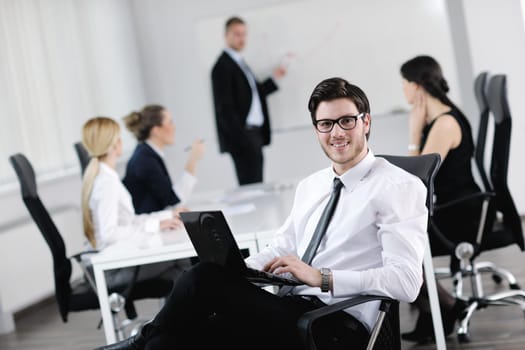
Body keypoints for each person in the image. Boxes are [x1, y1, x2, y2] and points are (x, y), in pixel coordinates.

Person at [96, 77, 428, 350]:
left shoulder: (397, 186)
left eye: (346, 121)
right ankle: (146, 343)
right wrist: (238, 270)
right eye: (326, 124)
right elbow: (281, 248)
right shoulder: (312, 186)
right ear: (316, 129)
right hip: (289, 311)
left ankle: (136, 343)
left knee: (201, 278)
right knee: (173, 338)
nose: (336, 133)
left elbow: (408, 281)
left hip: (337, 325)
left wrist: (323, 277)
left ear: (365, 122)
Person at [400, 55, 481, 343]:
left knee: (399, 244)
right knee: (397, 236)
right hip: (452, 207)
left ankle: (446, 307)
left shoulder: (444, 124)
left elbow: (416, 180)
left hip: (458, 215)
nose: (404, 91)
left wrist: (412, 133)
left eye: (405, 84)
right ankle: (437, 309)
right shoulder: (438, 119)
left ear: (418, 86)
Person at [81, 117, 188, 292]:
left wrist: (165, 218)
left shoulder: (106, 177)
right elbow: (110, 234)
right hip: (110, 271)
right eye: (119, 138)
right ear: (113, 145)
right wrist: (155, 225)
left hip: (114, 260)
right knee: (181, 261)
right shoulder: (106, 183)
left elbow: (128, 221)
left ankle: (177, 317)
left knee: (181, 270)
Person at [211, 16, 286, 185]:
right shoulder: (222, 67)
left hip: (254, 135)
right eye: (237, 34)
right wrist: (242, 138)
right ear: (226, 35)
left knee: (257, 185)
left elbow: (252, 95)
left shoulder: (240, 63)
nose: (242, 38)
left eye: (244, 34)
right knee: (252, 188)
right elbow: (224, 109)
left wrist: (274, 79)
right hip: (244, 138)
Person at [122, 104, 205, 214]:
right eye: (170, 122)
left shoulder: (146, 153)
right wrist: (193, 159)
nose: (174, 127)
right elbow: (174, 202)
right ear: (156, 130)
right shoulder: (145, 160)